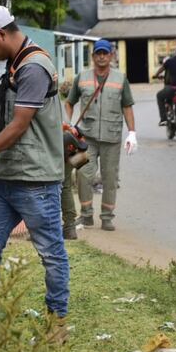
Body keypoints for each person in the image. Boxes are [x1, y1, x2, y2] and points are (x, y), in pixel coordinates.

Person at [0, 4, 70, 344]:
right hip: (4, 179)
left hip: (36, 181)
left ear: (1, 34)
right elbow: (5, 121)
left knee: (51, 254)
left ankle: (56, 325)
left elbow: (21, 125)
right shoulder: (14, 64)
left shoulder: (34, 67)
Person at [62, 39, 137, 233]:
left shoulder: (121, 79)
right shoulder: (83, 77)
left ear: (111, 56)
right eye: (98, 53)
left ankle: (107, 217)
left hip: (112, 138)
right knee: (81, 174)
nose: (102, 56)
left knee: (110, 178)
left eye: (105, 53)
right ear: (93, 56)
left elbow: (127, 106)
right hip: (85, 138)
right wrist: (68, 124)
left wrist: (132, 133)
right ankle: (86, 215)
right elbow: (69, 102)